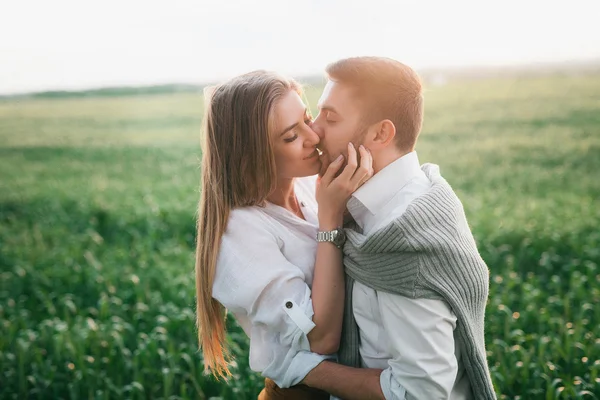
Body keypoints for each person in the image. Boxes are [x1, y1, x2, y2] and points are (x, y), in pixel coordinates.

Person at [301, 57, 496, 399]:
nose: (314, 130)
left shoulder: (400, 234)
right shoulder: (421, 189)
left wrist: (304, 370)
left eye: (330, 117)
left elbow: (421, 392)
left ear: (381, 133)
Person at [193, 70, 374, 399]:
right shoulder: (239, 235)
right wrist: (330, 219)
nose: (314, 136)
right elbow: (320, 338)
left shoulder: (306, 184)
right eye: (291, 137)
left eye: (307, 119)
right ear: (252, 155)